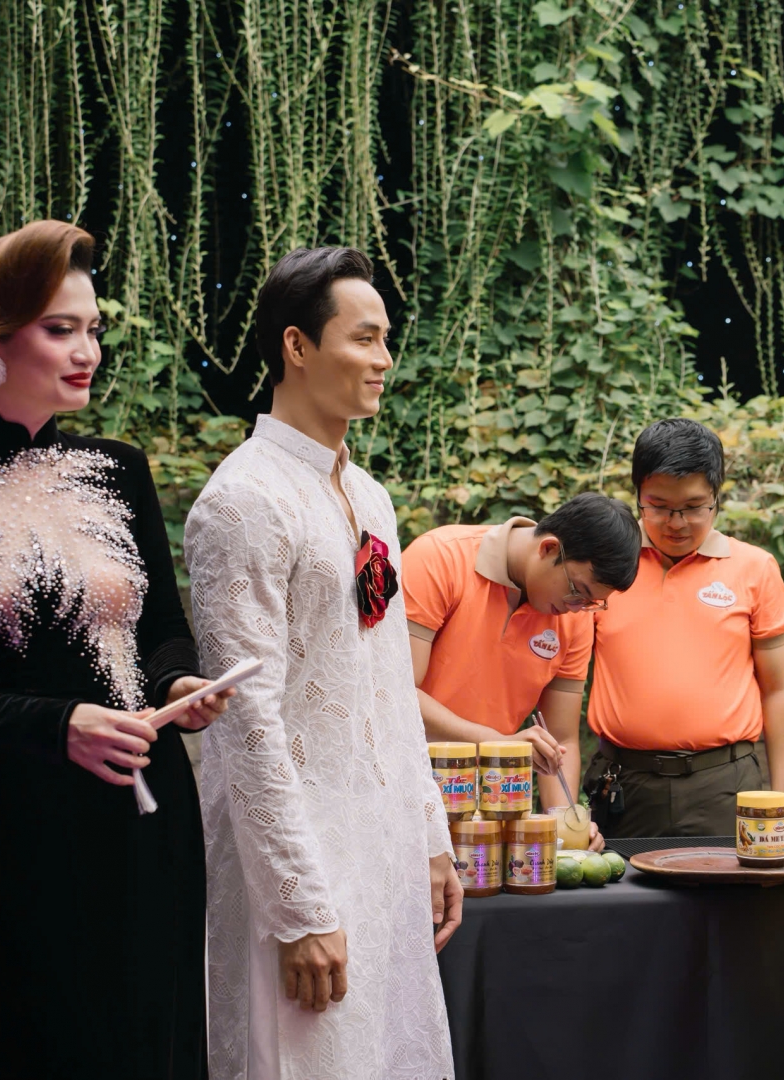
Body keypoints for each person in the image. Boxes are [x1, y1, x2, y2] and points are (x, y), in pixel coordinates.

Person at [0, 221, 232, 1078]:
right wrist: (58, 723)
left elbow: (159, 627)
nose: (87, 351)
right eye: (60, 329)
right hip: (15, 825)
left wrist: (180, 680)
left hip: (148, 814)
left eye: (93, 328)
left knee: (154, 1036)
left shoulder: (121, 469)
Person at [184, 247, 460, 1080]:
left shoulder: (369, 495)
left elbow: (392, 689)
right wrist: (297, 908)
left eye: (387, 340)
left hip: (383, 846)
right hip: (298, 862)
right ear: (297, 346)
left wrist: (430, 836)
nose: (384, 360)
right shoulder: (242, 501)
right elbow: (246, 721)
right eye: (364, 338)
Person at [582, 417, 784, 836]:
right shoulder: (605, 570)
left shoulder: (754, 568)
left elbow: (781, 690)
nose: (677, 522)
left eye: (694, 507)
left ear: (717, 497)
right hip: (623, 785)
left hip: (725, 785)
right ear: (637, 496)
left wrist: (783, 805)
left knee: (732, 883)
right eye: (659, 506)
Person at [403, 492, 640, 847]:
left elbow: (559, 739)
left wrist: (565, 821)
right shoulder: (439, 559)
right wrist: (497, 743)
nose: (579, 608)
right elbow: (397, 692)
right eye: (578, 592)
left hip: (489, 804)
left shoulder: (573, 618)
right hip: (403, 786)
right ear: (548, 548)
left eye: (593, 602)